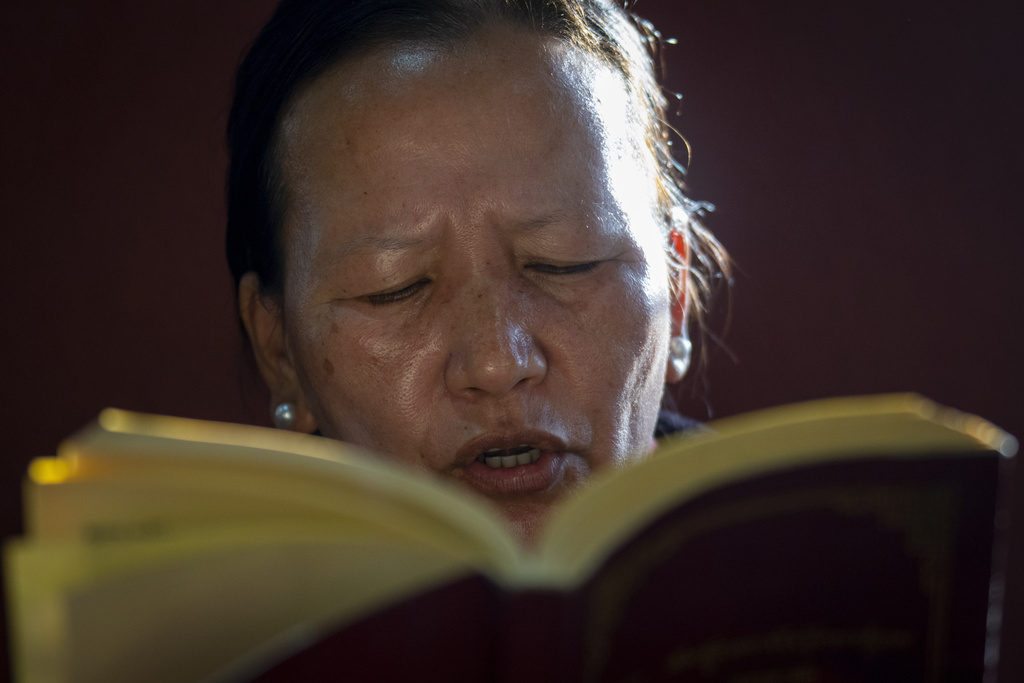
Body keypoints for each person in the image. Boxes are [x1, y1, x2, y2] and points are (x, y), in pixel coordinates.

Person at [226, 0, 729, 544]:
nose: (497, 363)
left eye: (566, 262)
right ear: (280, 350)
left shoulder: (821, 586)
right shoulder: (196, 624)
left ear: (675, 294)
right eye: (393, 289)